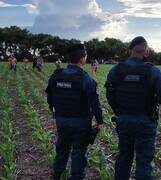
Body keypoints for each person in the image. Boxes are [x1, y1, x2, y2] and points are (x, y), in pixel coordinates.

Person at [105, 36, 161, 180]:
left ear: (130, 50)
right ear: (146, 51)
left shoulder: (116, 70)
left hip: (123, 120)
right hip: (146, 121)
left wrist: (119, 111)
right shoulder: (153, 71)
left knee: (124, 158)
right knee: (144, 162)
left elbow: (109, 95)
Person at [45, 44, 104, 180]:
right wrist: (99, 121)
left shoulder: (56, 76)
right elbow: (95, 104)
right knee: (78, 153)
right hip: (80, 123)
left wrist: (56, 114)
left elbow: (50, 98)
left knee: (62, 150)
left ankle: (57, 175)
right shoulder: (86, 79)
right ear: (82, 59)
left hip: (61, 121)